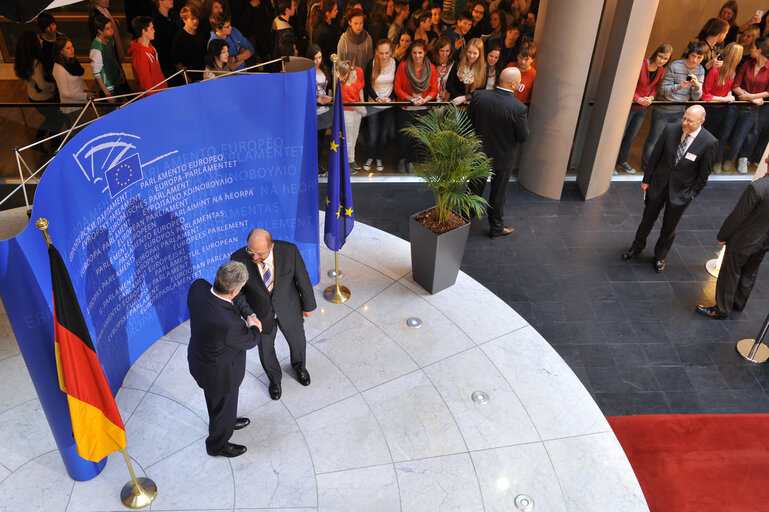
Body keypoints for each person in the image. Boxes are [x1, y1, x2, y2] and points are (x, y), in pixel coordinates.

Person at [621, 105, 718, 273]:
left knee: (669, 227)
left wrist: (692, 194)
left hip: (681, 192)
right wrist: (647, 180)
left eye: (690, 121)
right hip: (658, 184)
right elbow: (655, 156)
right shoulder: (671, 129)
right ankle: (636, 247)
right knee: (647, 219)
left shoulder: (709, 142)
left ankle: (660, 255)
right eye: (684, 118)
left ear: (701, 121)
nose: (685, 123)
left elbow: (704, 174)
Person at [231, 229, 316, 401]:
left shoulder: (289, 251)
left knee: (298, 342)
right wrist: (249, 315)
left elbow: (303, 279)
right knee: (266, 351)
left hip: (288, 309)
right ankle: (275, 380)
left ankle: (299, 367)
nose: (254, 257)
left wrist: (309, 304)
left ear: (271, 246)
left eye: (259, 254)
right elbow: (237, 293)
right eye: (251, 252)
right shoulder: (238, 258)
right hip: (260, 315)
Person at [187, 261, 261, 458]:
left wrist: (247, 313)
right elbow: (251, 340)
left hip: (200, 360)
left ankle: (226, 420)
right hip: (220, 374)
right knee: (221, 403)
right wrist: (254, 325)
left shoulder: (198, 287)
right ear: (235, 291)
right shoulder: (230, 324)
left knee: (220, 405)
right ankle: (217, 444)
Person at [468, 66, 529, 238]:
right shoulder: (519, 108)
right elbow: (523, 137)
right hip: (503, 157)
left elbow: (469, 121)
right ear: (514, 84)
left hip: (479, 153)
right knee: (498, 193)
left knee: (473, 190)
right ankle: (496, 227)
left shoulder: (479, 96)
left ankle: (463, 220)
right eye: (519, 81)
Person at [697, 175, 769, 318]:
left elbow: (738, 215)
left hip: (743, 240)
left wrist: (723, 235)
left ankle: (722, 309)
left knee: (730, 272)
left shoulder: (757, 188)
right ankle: (739, 303)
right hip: (764, 241)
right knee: (750, 271)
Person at [640, 40, 706, 172]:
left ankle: (662, 166)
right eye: (693, 55)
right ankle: (646, 166)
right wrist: (679, 86)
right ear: (689, 54)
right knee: (654, 140)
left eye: (699, 57)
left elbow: (696, 97)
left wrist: (697, 86)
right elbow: (663, 90)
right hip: (663, 110)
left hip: (680, 112)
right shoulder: (675, 65)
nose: (695, 60)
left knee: (673, 141)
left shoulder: (700, 70)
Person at [615, 43, 672, 175]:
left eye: (665, 59)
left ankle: (621, 161)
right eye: (660, 56)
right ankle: (609, 164)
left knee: (631, 136)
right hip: (629, 105)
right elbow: (628, 85)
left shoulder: (660, 69)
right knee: (619, 135)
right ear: (655, 53)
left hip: (643, 108)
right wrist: (637, 98)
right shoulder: (641, 64)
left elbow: (654, 87)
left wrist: (651, 97)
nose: (661, 61)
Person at [725, 37, 769, 174]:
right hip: (737, 104)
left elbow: (768, 91)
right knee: (726, 134)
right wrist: (745, 95)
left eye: (752, 47)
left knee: (743, 138)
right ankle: (722, 160)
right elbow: (736, 84)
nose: (750, 49)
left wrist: (751, 97)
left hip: (753, 108)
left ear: (759, 50)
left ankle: (735, 159)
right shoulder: (747, 63)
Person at [394, 39, 437, 173]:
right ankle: (402, 159)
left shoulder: (431, 68)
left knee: (417, 137)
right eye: (414, 53)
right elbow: (397, 88)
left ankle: (411, 160)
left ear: (424, 53)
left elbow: (434, 90)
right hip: (407, 107)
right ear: (410, 53)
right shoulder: (403, 66)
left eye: (420, 53)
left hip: (423, 108)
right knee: (404, 137)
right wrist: (411, 99)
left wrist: (425, 100)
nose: (417, 56)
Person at [14, 31, 60, 149]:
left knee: (51, 119)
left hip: (33, 96)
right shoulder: (35, 63)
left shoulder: (24, 60)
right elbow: (43, 85)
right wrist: (56, 87)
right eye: (38, 39)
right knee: (55, 121)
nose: (41, 40)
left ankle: (38, 142)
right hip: (43, 98)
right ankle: (55, 147)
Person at [702, 42, 743, 173]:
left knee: (717, 137)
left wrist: (729, 94)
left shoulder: (732, 71)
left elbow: (729, 88)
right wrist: (724, 99)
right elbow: (705, 95)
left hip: (722, 109)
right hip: (711, 109)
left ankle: (709, 163)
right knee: (705, 137)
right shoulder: (715, 70)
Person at [364, 38, 398, 172]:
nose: (384, 56)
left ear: (391, 52)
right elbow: (366, 86)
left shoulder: (396, 63)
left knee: (384, 135)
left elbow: (398, 85)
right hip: (373, 104)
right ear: (376, 52)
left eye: (387, 53)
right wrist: (376, 97)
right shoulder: (371, 64)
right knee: (373, 135)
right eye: (381, 53)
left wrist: (389, 98)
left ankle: (379, 157)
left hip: (389, 106)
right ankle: (370, 156)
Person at [52, 38, 96, 125]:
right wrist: (85, 95)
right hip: (72, 108)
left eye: (72, 46)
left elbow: (79, 79)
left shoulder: (72, 62)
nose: (72, 49)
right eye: (68, 48)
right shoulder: (59, 69)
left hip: (79, 103)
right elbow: (65, 93)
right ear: (61, 51)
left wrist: (87, 91)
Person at [337, 59, 367, 172]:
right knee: (348, 139)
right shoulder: (340, 84)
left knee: (355, 135)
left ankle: (351, 159)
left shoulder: (358, 71)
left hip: (357, 110)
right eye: (340, 75)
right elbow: (350, 102)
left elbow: (360, 89)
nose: (342, 78)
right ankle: (344, 164)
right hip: (347, 112)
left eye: (344, 75)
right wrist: (362, 109)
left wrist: (363, 104)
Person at [90, 15, 129, 102]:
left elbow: (113, 56)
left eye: (111, 27)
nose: (111, 30)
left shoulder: (110, 39)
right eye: (108, 28)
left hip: (115, 81)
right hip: (108, 87)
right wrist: (107, 93)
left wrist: (120, 71)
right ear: (100, 31)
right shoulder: (96, 48)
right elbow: (96, 73)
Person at [309, 44, 333, 175]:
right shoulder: (307, 71)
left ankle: (318, 164)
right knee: (312, 139)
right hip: (313, 109)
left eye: (320, 57)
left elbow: (328, 87)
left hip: (324, 109)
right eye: (315, 58)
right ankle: (312, 164)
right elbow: (305, 93)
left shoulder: (324, 69)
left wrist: (329, 97)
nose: (318, 61)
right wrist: (317, 99)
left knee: (321, 139)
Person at [129, 17, 169, 93]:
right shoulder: (140, 55)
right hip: (153, 98)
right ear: (144, 31)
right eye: (151, 28)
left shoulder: (150, 46)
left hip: (160, 92)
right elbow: (146, 85)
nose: (154, 31)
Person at [172, 5, 208, 82]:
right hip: (190, 79)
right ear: (184, 20)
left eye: (197, 18)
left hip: (204, 75)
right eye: (192, 19)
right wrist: (188, 80)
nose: (196, 21)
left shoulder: (201, 33)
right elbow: (177, 63)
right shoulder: (179, 38)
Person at [446, 37, 485, 105]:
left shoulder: (484, 68)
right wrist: (460, 97)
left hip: (473, 104)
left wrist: (466, 97)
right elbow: (449, 85)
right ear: (466, 51)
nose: (471, 56)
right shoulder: (458, 64)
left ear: (480, 54)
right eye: (469, 52)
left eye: (475, 53)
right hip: (456, 103)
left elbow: (481, 91)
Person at [309, 0, 340, 68]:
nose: (337, 11)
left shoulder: (325, 25)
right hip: (326, 66)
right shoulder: (324, 31)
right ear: (328, 13)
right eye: (335, 10)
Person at [432, 35, 455, 101]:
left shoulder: (453, 64)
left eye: (447, 51)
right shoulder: (431, 63)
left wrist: (444, 103)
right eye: (442, 51)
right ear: (437, 50)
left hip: (447, 101)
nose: (444, 54)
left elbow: (452, 86)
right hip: (431, 100)